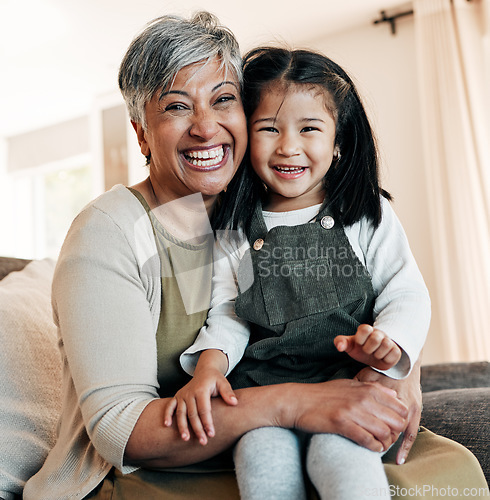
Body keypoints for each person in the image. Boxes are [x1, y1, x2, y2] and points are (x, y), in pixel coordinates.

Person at [22, 12, 487, 500]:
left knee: (447, 475)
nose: (206, 127)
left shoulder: (254, 208)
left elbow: (391, 290)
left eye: (223, 100)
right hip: (143, 470)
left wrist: (398, 368)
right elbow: (121, 431)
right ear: (141, 134)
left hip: (275, 432)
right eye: (177, 106)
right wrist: (295, 402)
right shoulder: (110, 231)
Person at [167, 48, 488, 499]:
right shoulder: (236, 227)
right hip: (266, 395)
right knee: (262, 461)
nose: (288, 146)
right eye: (269, 129)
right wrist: (208, 369)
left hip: (353, 385)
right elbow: (229, 313)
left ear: (339, 141)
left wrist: (390, 342)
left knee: (339, 459)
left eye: (309, 129)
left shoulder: (365, 212)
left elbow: (406, 291)